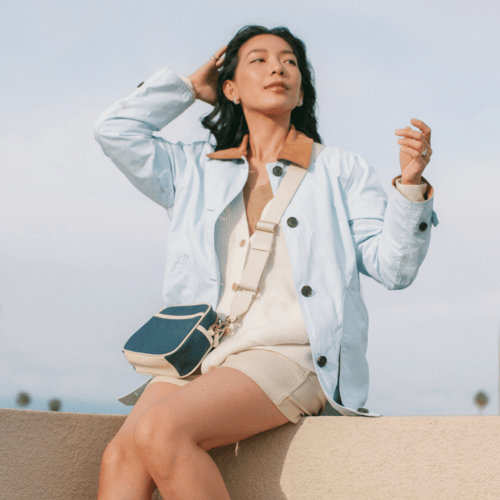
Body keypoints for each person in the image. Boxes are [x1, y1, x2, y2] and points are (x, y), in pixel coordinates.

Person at [94, 25, 436, 500]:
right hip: (197, 351)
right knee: (121, 455)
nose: (277, 67)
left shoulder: (340, 170)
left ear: (300, 91)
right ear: (228, 88)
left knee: (162, 431)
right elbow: (114, 131)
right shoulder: (196, 169)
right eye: (258, 59)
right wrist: (189, 88)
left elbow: (394, 268)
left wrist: (411, 187)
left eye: (289, 61)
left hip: (288, 350)